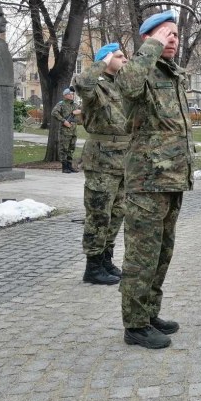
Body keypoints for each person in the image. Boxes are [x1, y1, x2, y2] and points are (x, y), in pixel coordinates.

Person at [116, 10, 194, 349]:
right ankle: (134, 325)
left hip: (170, 180)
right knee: (141, 255)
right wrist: (151, 47)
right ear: (148, 38)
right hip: (147, 182)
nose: (173, 39)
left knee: (162, 253)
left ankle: (148, 313)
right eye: (166, 34)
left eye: (176, 34)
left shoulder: (171, 74)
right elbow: (128, 84)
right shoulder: (141, 70)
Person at [74, 43, 129, 286]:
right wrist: (103, 61)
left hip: (124, 158)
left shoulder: (122, 84)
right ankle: (93, 266)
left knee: (117, 213)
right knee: (99, 214)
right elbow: (82, 82)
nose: (125, 59)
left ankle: (106, 259)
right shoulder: (95, 86)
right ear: (106, 60)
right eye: (119, 56)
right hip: (102, 160)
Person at [51, 87, 82, 173]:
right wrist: (64, 121)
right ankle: (64, 167)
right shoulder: (61, 104)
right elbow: (54, 112)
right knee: (64, 149)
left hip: (73, 130)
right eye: (70, 94)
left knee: (71, 148)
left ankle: (69, 166)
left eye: (72, 94)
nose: (72, 95)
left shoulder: (75, 105)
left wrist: (78, 111)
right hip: (65, 131)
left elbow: (81, 110)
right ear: (65, 95)